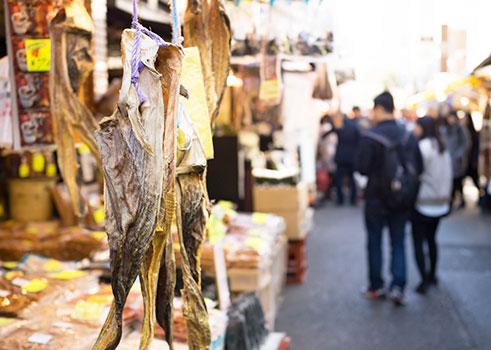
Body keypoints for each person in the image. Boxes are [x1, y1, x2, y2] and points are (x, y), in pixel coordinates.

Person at [356, 91, 423, 306]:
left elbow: (362, 168)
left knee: (374, 242)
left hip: (375, 198)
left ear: (378, 109)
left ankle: (377, 286)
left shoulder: (370, 136)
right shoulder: (409, 135)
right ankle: (398, 288)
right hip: (402, 199)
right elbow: (419, 167)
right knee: (398, 242)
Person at [411, 117, 453, 294]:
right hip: (440, 202)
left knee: (418, 242)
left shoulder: (423, 147)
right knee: (431, 240)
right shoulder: (442, 146)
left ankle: (424, 279)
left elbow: (416, 174)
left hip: (423, 202)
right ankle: (432, 275)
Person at [324, 112, 360, 205]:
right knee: (352, 178)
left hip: (341, 155)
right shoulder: (354, 125)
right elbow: (359, 140)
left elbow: (327, 134)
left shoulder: (339, 125)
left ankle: (340, 199)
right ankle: (353, 199)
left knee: (339, 178)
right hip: (351, 156)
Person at [440, 110, 469, 208]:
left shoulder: (460, 129)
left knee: (458, 181)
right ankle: (450, 200)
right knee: (449, 181)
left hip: (456, 160)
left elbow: (465, 144)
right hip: (447, 159)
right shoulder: (443, 129)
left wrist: (458, 154)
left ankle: (460, 199)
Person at [462, 112, 480, 194]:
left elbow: (475, 147)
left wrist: (475, 160)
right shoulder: (462, 131)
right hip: (465, 161)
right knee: (462, 180)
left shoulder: (473, 133)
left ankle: (482, 196)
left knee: (475, 179)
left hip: (471, 160)